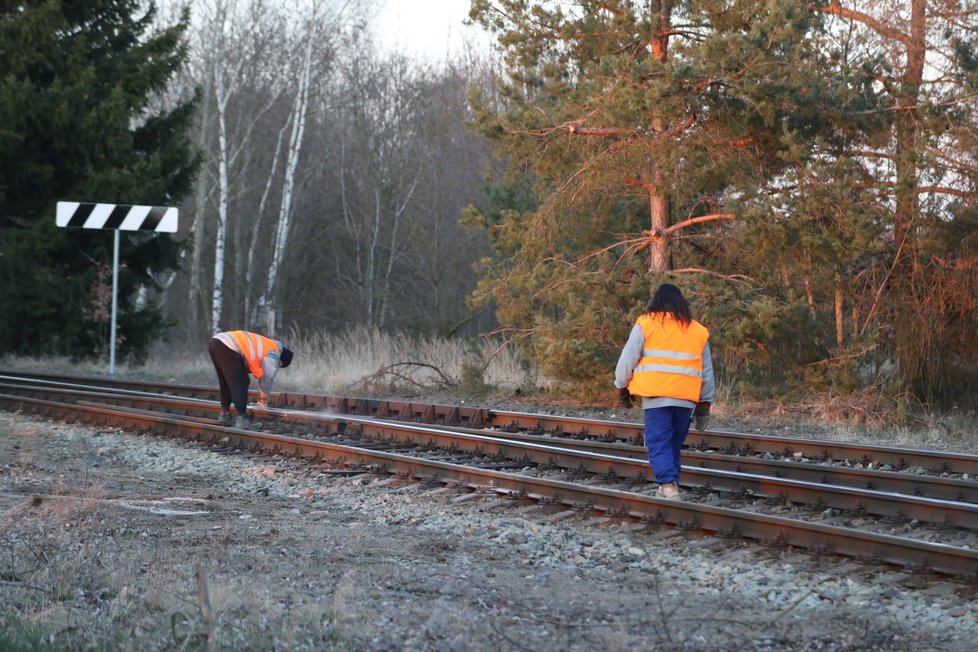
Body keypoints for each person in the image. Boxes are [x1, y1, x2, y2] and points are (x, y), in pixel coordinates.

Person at [614, 283, 715, 500]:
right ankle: (669, 484)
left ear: (656, 302)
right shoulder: (697, 330)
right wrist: (705, 403)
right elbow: (706, 371)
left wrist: (622, 385)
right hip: (686, 398)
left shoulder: (646, 324)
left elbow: (628, 358)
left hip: (656, 396)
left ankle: (669, 487)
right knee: (673, 444)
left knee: (658, 443)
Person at [208, 330, 293, 429]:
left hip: (216, 342)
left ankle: (225, 414)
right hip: (229, 346)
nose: (277, 366)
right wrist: (262, 400)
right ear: (281, 360)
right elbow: (267, 378)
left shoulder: (267, 344)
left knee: (226, 381)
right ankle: (242, 419)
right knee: (241, 381)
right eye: (280, 365)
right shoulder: (274, 353)